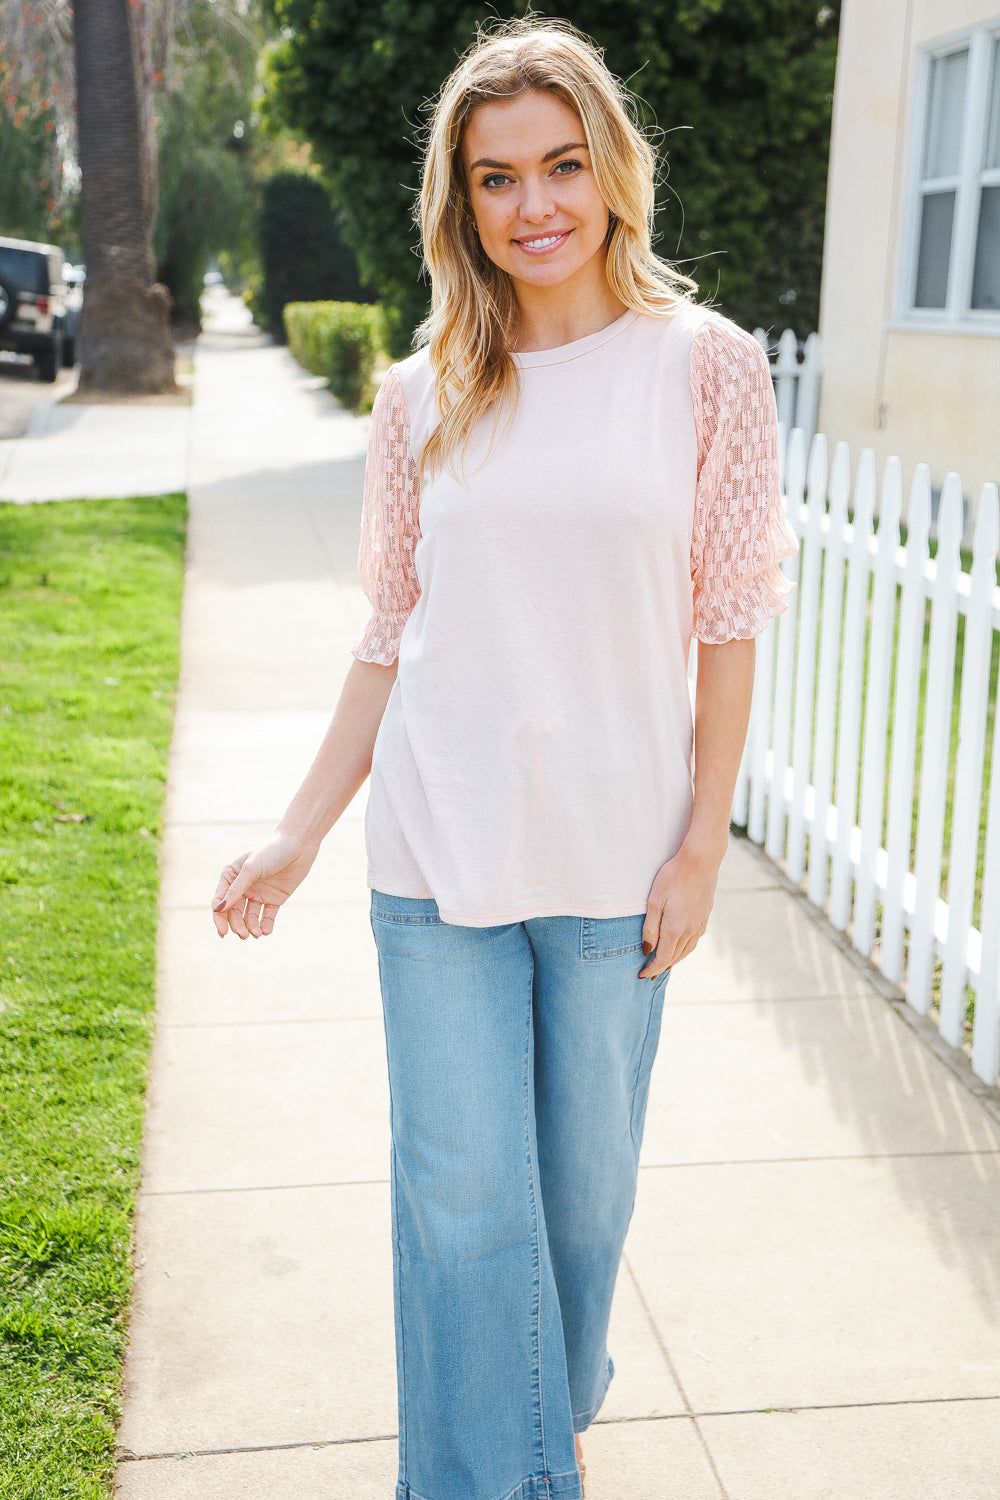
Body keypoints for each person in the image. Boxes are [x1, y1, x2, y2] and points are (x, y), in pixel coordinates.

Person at [212, 17, 797, 1500]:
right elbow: (388, 637)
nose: (535, 205)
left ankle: (543, 1406)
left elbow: (729, 621)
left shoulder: (706, 368)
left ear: (611, 172)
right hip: (438, 852)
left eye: (561, 165)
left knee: (582, 1214)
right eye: (496, 178)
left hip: (615, 862)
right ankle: (502, 1473)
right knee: (464, 1209)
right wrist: (298, 832)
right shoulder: (419, 395)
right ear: (460, 202)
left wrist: (702, 842)